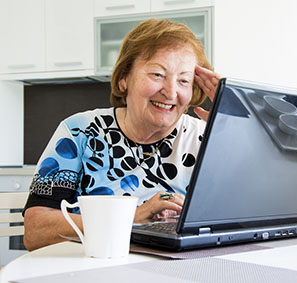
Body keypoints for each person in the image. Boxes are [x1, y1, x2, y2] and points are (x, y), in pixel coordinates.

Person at [23, 18, 220, 251]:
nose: (170, 92)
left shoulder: (205, 139)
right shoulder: (79, 131)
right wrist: (133, 218)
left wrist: (234, 130)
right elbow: (35, 232)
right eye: (157, 74)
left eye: (183, 80)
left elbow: (243, 222)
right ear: (124, 78)